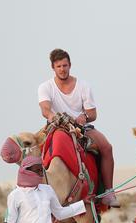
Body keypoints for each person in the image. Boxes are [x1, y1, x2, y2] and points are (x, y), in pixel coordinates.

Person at [38, 48, 120, 208]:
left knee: (106, 148)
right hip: (55, 126)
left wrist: (84, 117)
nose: (62, 69)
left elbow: (92, 113)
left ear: (70, 65)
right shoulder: (45, 87)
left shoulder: (83, 86)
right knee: (32, 150)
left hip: (81, 128)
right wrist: (53, 117)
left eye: (65, 65)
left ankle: (108, 192)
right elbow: (45, 109)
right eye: (59, 66)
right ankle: (34, 195)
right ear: (53, 68)